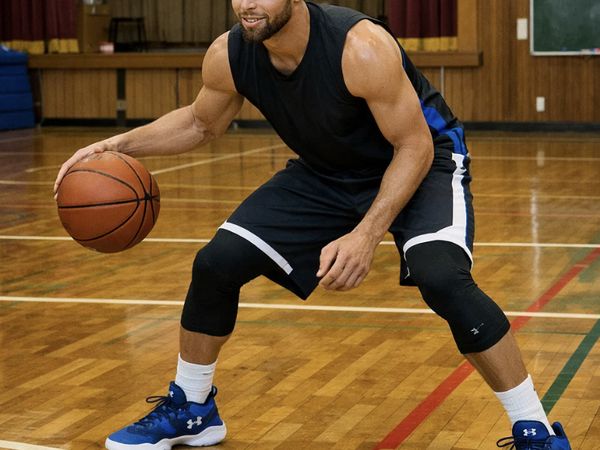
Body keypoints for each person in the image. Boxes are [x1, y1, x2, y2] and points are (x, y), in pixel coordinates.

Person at [54, 1, 572, 449]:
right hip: (328, 172)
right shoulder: (230, 53)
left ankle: (535, 428)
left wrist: (366, 234)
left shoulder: (359, 46)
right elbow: (199, 122)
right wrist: (114, 145)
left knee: (442, 278)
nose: (247, 6)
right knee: (217, 263)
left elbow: (412, 146)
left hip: (423, 159)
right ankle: (192, 407)